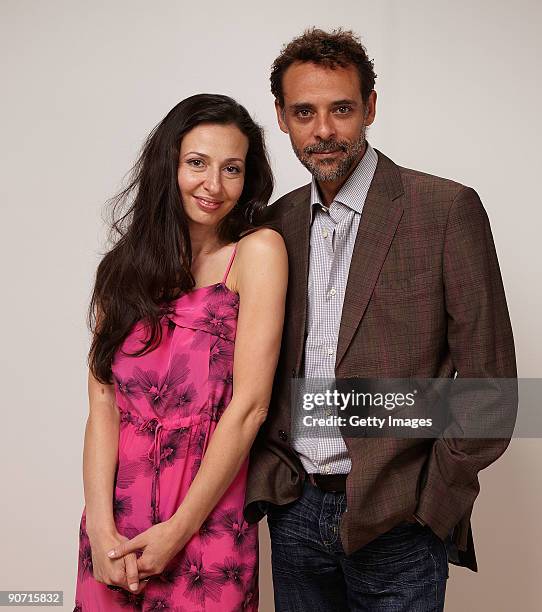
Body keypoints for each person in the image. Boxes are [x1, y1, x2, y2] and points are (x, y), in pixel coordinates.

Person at [244, 28, 517, 611]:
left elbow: (491, 393)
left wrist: (429, 504)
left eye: (341, 108)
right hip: (294, 516)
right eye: (304, 112)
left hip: (398, 518)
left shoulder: (446, 210)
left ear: (369, 106)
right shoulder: (275, 224)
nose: (323, 130)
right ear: (282, 117)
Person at [74, 93, 287, 611]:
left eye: (231, 169)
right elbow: (103, 407)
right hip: (114, 528)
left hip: (205, 524)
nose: (213, 185)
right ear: (167, 165)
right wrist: (100, 529)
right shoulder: (121, 271)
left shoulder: (256, 253)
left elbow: (249, 409)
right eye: (196, 163)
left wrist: (177, 530)